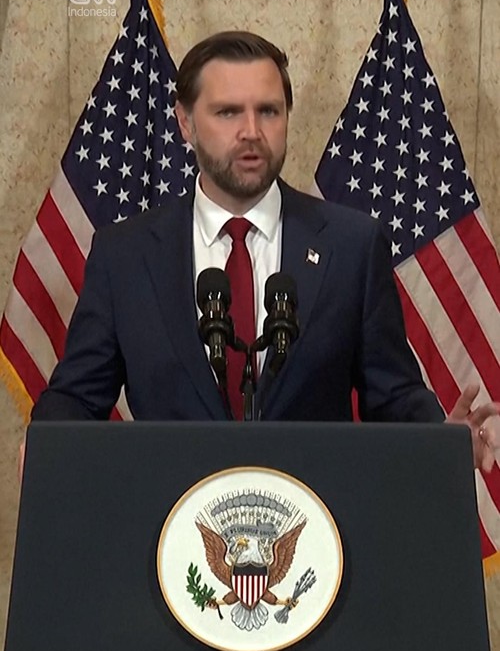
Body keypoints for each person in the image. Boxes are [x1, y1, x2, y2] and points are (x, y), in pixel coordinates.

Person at [28, 29, 499, 473]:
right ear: (185, 123)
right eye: (228, 112)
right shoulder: (125, 256)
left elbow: (392, 395)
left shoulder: (351, 245)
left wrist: (442, 439)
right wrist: (46, 440)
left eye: (269, 111)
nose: (251, 131)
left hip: (313, 516)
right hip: (172, 516)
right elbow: (79, 397)